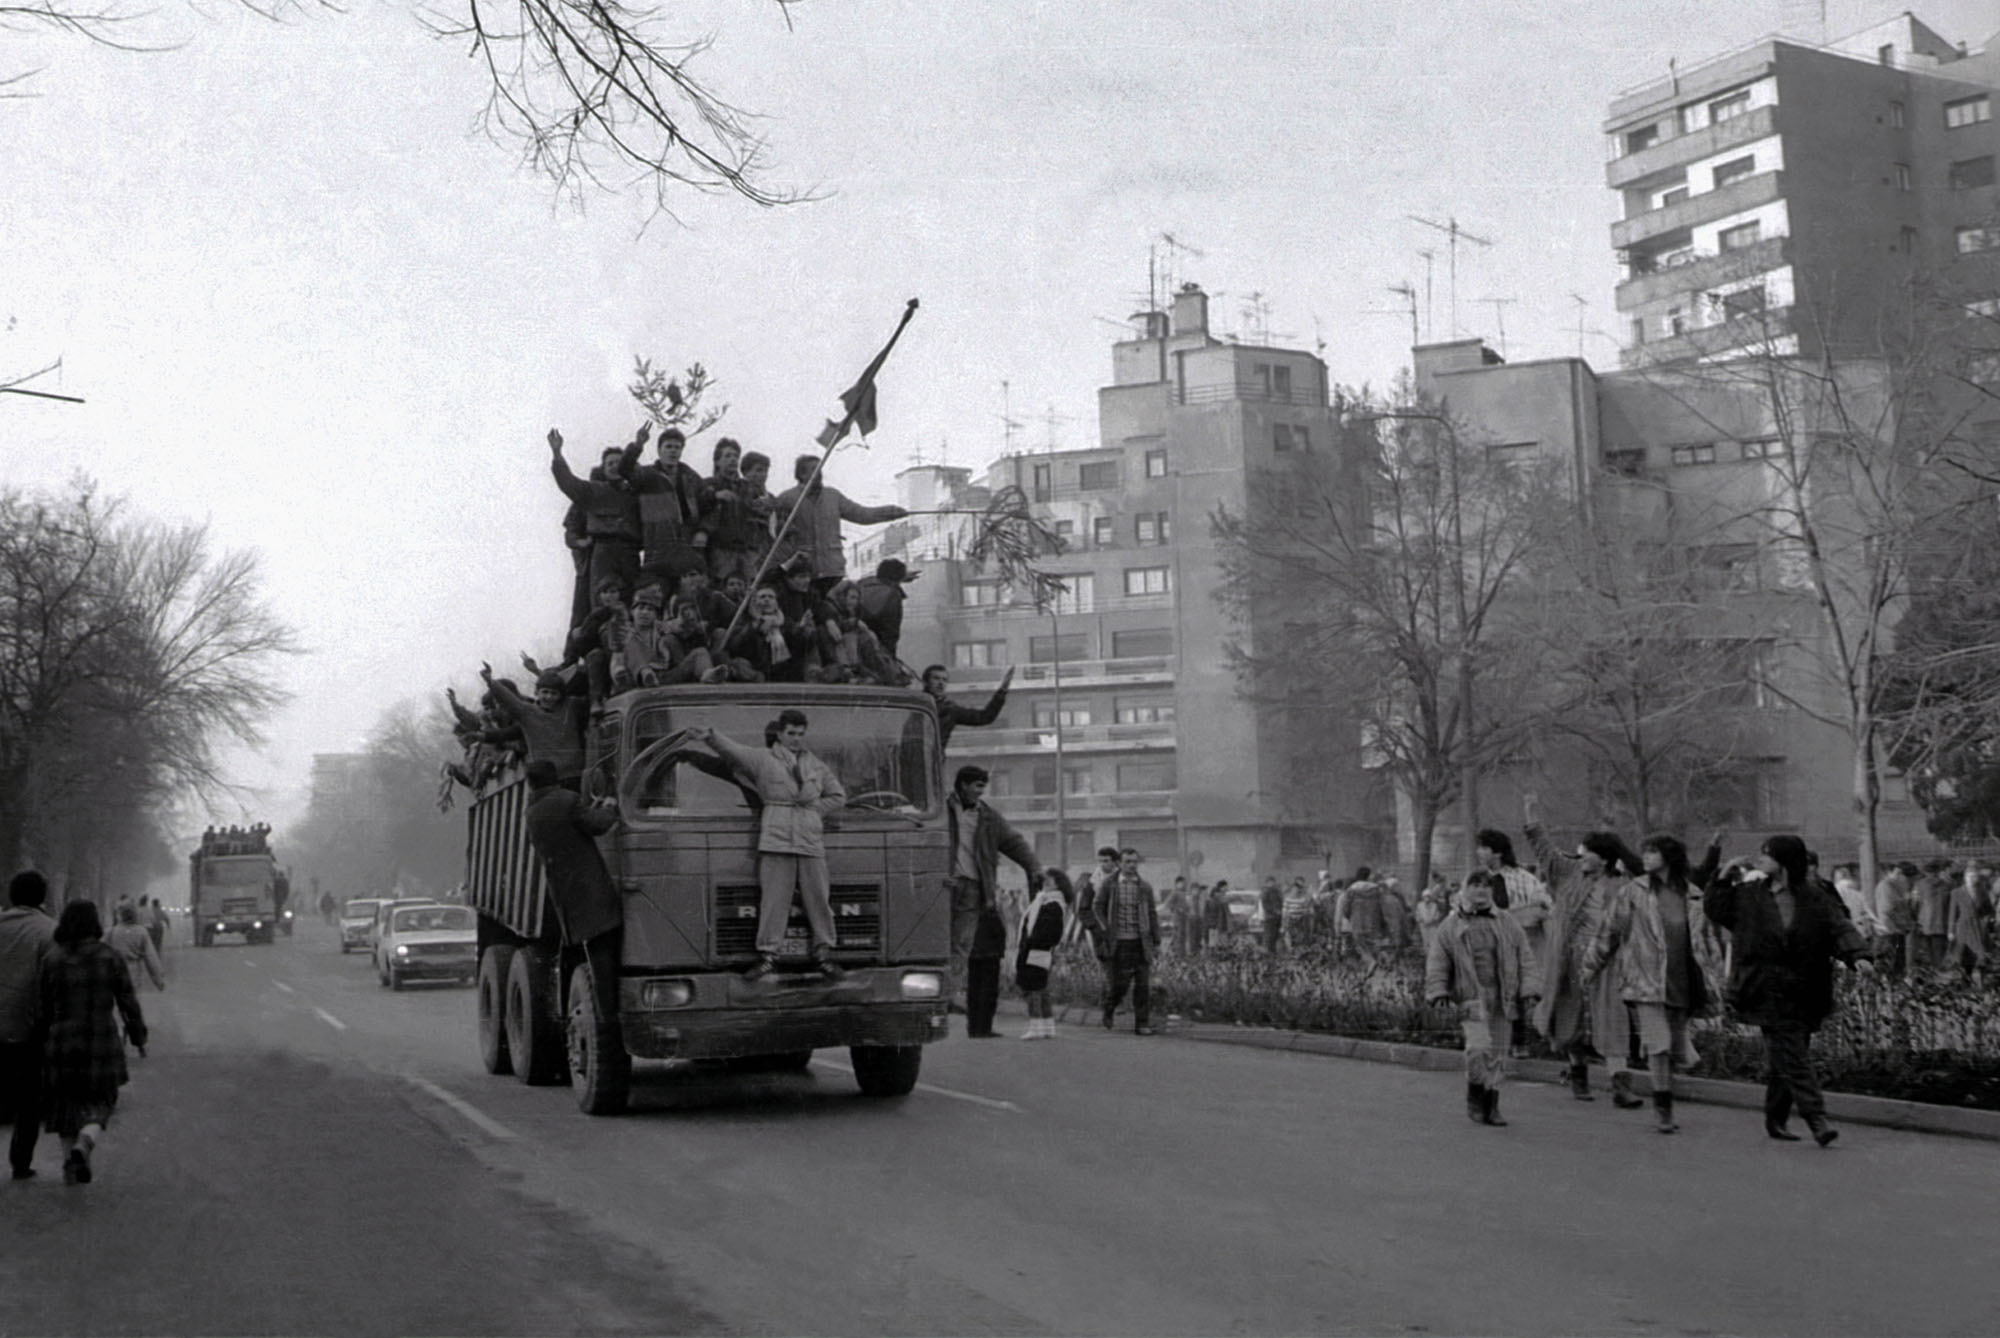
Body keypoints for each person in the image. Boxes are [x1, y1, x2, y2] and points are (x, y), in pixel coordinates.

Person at [1705, 835, 1872, 1146]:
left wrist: (1858, 956)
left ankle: (1775, 1118)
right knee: (1793, 1055)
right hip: (1763, 986)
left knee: (1788, 1056)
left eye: (1767, 855)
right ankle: (1817, 1119)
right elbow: (1716, 910)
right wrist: (1723, 876)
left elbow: (1839, 927)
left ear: (1784, 861)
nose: (1760, 860)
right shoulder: (1749, 894)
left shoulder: (1815, 897)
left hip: (1804, 988)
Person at [698, 712, 847, 981]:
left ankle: (824, 953)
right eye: (791, 733)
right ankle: (769, 956)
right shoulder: (763, 759)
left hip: (810, 841)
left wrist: (813, 811)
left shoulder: (815, 765)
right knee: (773, 901)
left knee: (819, 899)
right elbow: (734, 751)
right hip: (776, 839)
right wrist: (710, 735)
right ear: (779, 734)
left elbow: (838, 796)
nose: (796, 739)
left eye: (801, 734)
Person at [1582, 834, 1711, 1135]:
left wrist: (1713, 979)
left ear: (1669, 856)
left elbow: (1705, 943)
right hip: (1645, 983)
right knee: (1658, 1043)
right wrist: (1589, 967)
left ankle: (1667, 1087)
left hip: (1681, 981)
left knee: (1675, 1047)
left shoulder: (1692, 895)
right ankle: (1663, 1109)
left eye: (1653, 852)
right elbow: (1608, 932)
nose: (1647, 857)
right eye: (1646, 852)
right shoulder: (1634, 892)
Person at [1528, 825, 1639, 1105]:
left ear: (1603, 859)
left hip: (1607, 964)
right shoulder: (1570, 875)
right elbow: (1548, 856)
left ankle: (1620, 1086)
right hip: (1570, 962)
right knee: (1571, 1017)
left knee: (1613, 1020)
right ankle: (1579, 1075)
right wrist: (1533, 826)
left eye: (1587, 852)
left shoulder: (1622, 887)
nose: (1582, 856)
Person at [40, 900, 147, 1185]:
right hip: (99, 1040)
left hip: (61, 1040)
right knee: (103, 1099)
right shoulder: (109, 957)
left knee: (65, 1104)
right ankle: (85, 1142)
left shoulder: (52, 959)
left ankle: (68, 1164)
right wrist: (138, 1035)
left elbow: (42, 1007)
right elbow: (127, 1002)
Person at [1425, 870, 1541, 1127]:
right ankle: (1475, 1092)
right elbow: (1437, 961)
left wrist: (1530, 989)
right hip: (1471, 998)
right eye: (1475, 885)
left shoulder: (1507, 922)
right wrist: (1438, 991)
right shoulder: (1451, 925)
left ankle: (1492, 1104)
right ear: (1464, 890)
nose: (1481, 890)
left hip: (1503, 997)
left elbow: (1526, 957)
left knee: (1498, 1053)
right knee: (1478, 1048)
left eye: (1486, 885)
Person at [522, 759, 624, 1041]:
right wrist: (610, 805)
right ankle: (608, 1020)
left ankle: (604, 1015)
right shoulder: (566, 800)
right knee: (605, 954)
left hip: (568, 899)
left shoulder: (532, 812)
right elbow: (599, 825)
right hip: (592, 892)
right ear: (554, 778)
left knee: (595, 953)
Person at [943, 765, 1042, 1033]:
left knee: (962, 943)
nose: (981, 791)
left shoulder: (987, 817)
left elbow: (1014, 842)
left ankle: (947, 995)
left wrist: (1033, 866)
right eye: (977, 786)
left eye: (983, 787)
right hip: (943, 885)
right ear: (963, 785)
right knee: (936, 940)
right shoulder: (941, 810)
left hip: (974, 886)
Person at [768, 454, 910, 595]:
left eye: (819, 469)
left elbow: (861, 514)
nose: (819, 474)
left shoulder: (833, 496)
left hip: (832, 570)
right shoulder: (787, 499)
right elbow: (777, 533)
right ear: (801, 474)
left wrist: (890, 512)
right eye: (813, 470)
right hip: (803, 572)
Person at [548, 425, 646, 608]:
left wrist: (638, 444)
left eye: (619, 462)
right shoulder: (593, 491)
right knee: (601, 602)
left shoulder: (636, 493)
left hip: (629, 552)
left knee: (631, 600)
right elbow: (568, 483)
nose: (615, 466)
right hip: (603, 552)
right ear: (603, 469)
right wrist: (557, 453)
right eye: (610, 463)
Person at [1474, 829, 1552, 1057]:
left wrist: (1520, 917)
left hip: (1518, 947)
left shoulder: (1524, 879)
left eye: (1483, 847)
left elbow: (1544, 907)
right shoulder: (1477, 879)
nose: (1479, 852)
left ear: (1496, 851)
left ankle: (1519, 1042)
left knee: (1513, 994)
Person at [1, 871, 57, 1179]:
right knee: (29, 1100)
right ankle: (20, 1163)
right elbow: (52, 983)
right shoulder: (49, 932)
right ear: (41, 898)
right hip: (28, 1028)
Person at [624, 426, 715, 589]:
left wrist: (703, 530)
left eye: (677, 447)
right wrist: (638, 444)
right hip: (657, 545)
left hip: (686, 544)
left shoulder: (691, 477)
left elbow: (710, 505)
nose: (673, 451)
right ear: (659, 450)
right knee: (657, 591)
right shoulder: (647, 475)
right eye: (668, 447)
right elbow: (624, 469)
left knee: (687, 594)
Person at [481, 662, 588, 786]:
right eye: (545, 692)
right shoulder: (528, 712)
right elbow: (509, 700)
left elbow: (580, 685)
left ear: (561, 695)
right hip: (546, 778)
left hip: (573, 774)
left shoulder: (571, 706)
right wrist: (490, 681)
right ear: (537, 693)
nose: (549, 697)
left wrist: (538, 671)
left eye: (554, 694)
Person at [1092, 848, 1161, 1035]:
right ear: (1120, 864)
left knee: (1142, 984)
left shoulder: (1145, 887)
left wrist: (1156, 940)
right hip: (1119, 942)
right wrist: (1105, 928)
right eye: (1128, 862)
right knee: (1120, 985)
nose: (1132, 865)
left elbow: (1152, 914)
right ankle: (1109, 1007)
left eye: (1134, 862)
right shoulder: (1109, 885)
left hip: (1140, 942)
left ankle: (1142, 1024)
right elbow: (1097, 907)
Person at [702, 440, 772, 588]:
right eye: (727, 456)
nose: (733, 459)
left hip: (747, 551)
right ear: (717, 461)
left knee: (749, 590)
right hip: (721, 550)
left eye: (735, 456)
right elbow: (699, 507)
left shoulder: (747, 487)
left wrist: (764, 506)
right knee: (722, 587)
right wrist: (714, 496)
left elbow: (762, 512)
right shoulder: (709, 484)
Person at [1016, 870, 1073, 1040]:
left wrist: (1032, 943)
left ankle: (1036, 1026)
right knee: (1041, 989)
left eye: (1050, 881)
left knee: (1032, 989)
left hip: (1037, 950)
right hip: (1038, 950)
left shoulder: (1052, 904)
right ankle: (1048, 1026)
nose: (1045, 883)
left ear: (1059, 884)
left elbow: (1049, 932)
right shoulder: (1045, 901)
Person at [922, 664, 1014, 752]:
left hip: (932, 762)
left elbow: (985, 717)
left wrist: (1002, 691)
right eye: (936, 678)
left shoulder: (950, 709)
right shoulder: (916, 704)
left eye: (944, 680)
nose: (941, 683)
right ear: (925, 682)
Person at [854, 558, 918, 660]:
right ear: (898, 579)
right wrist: (890, 657)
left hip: (853, 641)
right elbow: (890, 632)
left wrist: (901, 577)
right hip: (874, 648)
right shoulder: (892, 595)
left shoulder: (861, 585)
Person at [105, 904, 166, 992]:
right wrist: (158, 980)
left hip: (115, 971)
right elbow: (151, 957)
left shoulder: (112, 931)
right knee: (132, 1000)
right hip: (133, 972)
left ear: (121, 916)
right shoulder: (141, 932)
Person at [1946, 861, 1989, 977]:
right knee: (1964, 955)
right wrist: (1950, 931)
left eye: (1974, 876)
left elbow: (1987, 909)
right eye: (1969, 876)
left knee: (1980, 954)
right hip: (1963, 927)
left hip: (1977, 927)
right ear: (1965, 877)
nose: (1972, 879)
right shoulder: (1956, 893)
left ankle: (1980, 981)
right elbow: (1952, 914)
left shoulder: (1982, 892)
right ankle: (1966, 979)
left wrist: (1986, 921)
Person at [1336, 867, 1388, 960]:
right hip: (1373, 920)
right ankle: (1384, 958)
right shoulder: (1376, 889)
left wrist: (1349, 917)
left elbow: (1346, 908)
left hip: (1357, 921)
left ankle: (1370, 962)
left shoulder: (1351, 890)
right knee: (1374, 941)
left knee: (1360, 943)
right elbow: (1383, 906)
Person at [1872, 862, 1914, 973]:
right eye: (1906, 878)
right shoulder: (1886, 886)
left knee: (1898, 963)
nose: (1907, 882)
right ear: (1898, 874)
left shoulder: (1893, 887)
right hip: (1889, 931)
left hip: (1896, 930)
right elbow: (1888, 910)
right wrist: (1905, 924)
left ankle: (1894, 986)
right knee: (1890, 964)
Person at [1911, 860, 1953, 972]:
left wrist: (1914, 918)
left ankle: (1931, 976)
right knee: (1939, 954)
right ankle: (1939, 975)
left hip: (1924, 925)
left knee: (1927, 954)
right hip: (1942, 925)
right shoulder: (1948, 886)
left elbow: (1914, 904)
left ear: (1925, 872)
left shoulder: (1919, 885)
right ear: (1938, 871)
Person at [1258, 875, 1284, 954]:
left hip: (1278, 916)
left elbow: (1281, 901)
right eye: (1270, 882)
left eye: (1273, 882)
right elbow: (1265, 905)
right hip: (1270, 916)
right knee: (1269, 934)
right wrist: (1274, 911)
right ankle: (1268, 950)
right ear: (1267, 883)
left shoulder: (1277, 891)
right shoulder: (1265, 892)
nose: (1272, 884)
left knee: (1276, 934)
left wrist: (1280, 910)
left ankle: (1273, 950)